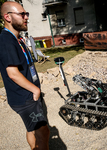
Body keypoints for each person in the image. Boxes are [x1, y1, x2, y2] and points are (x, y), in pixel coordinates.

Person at [0, 1, 49, 150]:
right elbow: (12, 74)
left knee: (31, 129)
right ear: (7, 17)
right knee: (42, 131)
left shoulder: (18, 38)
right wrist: (35, 90)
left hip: (28, 94)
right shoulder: (6, 40)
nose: (26, 17)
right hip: (24, 97)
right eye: (22, 14)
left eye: (26, 13)